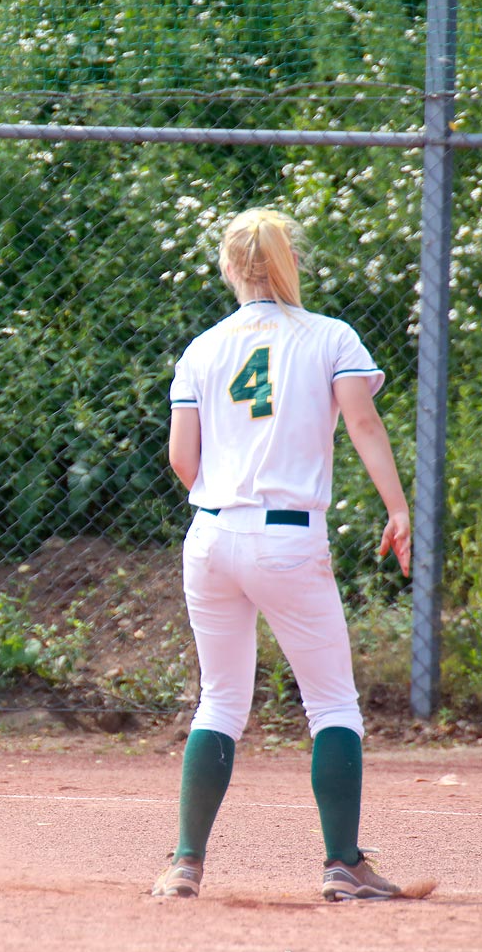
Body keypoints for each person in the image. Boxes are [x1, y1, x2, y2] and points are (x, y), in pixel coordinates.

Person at [153, 208, 413, 900]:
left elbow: (183, 458)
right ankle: (343, 865)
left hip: (210, 535)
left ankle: (184, 864)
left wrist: (223, 496)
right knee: (331, 704)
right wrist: (397, 506)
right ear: (286, 260)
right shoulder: (330, 337)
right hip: (290, 534)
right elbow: (361, 420)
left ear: (229, 267)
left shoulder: (202, 349)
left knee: (220, 701)